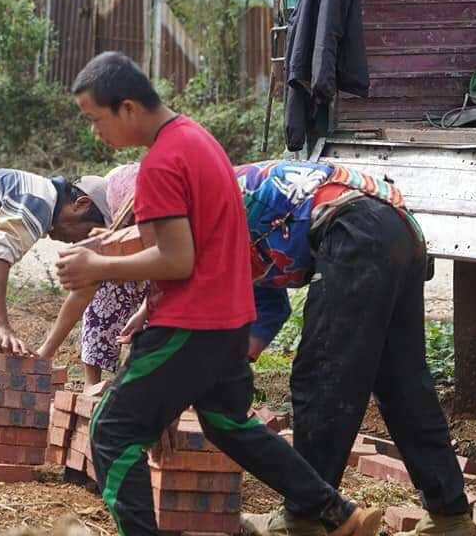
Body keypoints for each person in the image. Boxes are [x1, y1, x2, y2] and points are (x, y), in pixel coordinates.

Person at [55, 51, 381, 536]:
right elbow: (187, 240)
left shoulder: (162, 162)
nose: (94, 132)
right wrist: (120, 263)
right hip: (230, 320)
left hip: (191, 322)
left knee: (112, 430)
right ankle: (338, 513)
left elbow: (176, 259)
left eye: (95, 119)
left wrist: (97, 266)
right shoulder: (196, 139)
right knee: (228, 423)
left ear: (127, 108)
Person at [237, 160, 473, 536]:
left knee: (321, 376)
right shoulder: (212, 226)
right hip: (395, 227)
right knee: (402, 384)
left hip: (356, 226)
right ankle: (450, 518)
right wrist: (237, 362)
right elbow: (269, 302)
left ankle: (304, 519)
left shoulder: (205, 206)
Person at [0, 168, 111, 394]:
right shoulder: (40, 202)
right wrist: (1, 327)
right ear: (81, 204)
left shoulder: (38, 196)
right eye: (87, 231)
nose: (78, 241)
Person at [37, 163, 147, 386]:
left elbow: (173, 269)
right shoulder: (114, 190)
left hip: (176, 277)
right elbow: (82, 293)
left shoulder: (151, 211)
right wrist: (45, 352)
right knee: (104, 290)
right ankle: (92, 385)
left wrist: (145, 311)